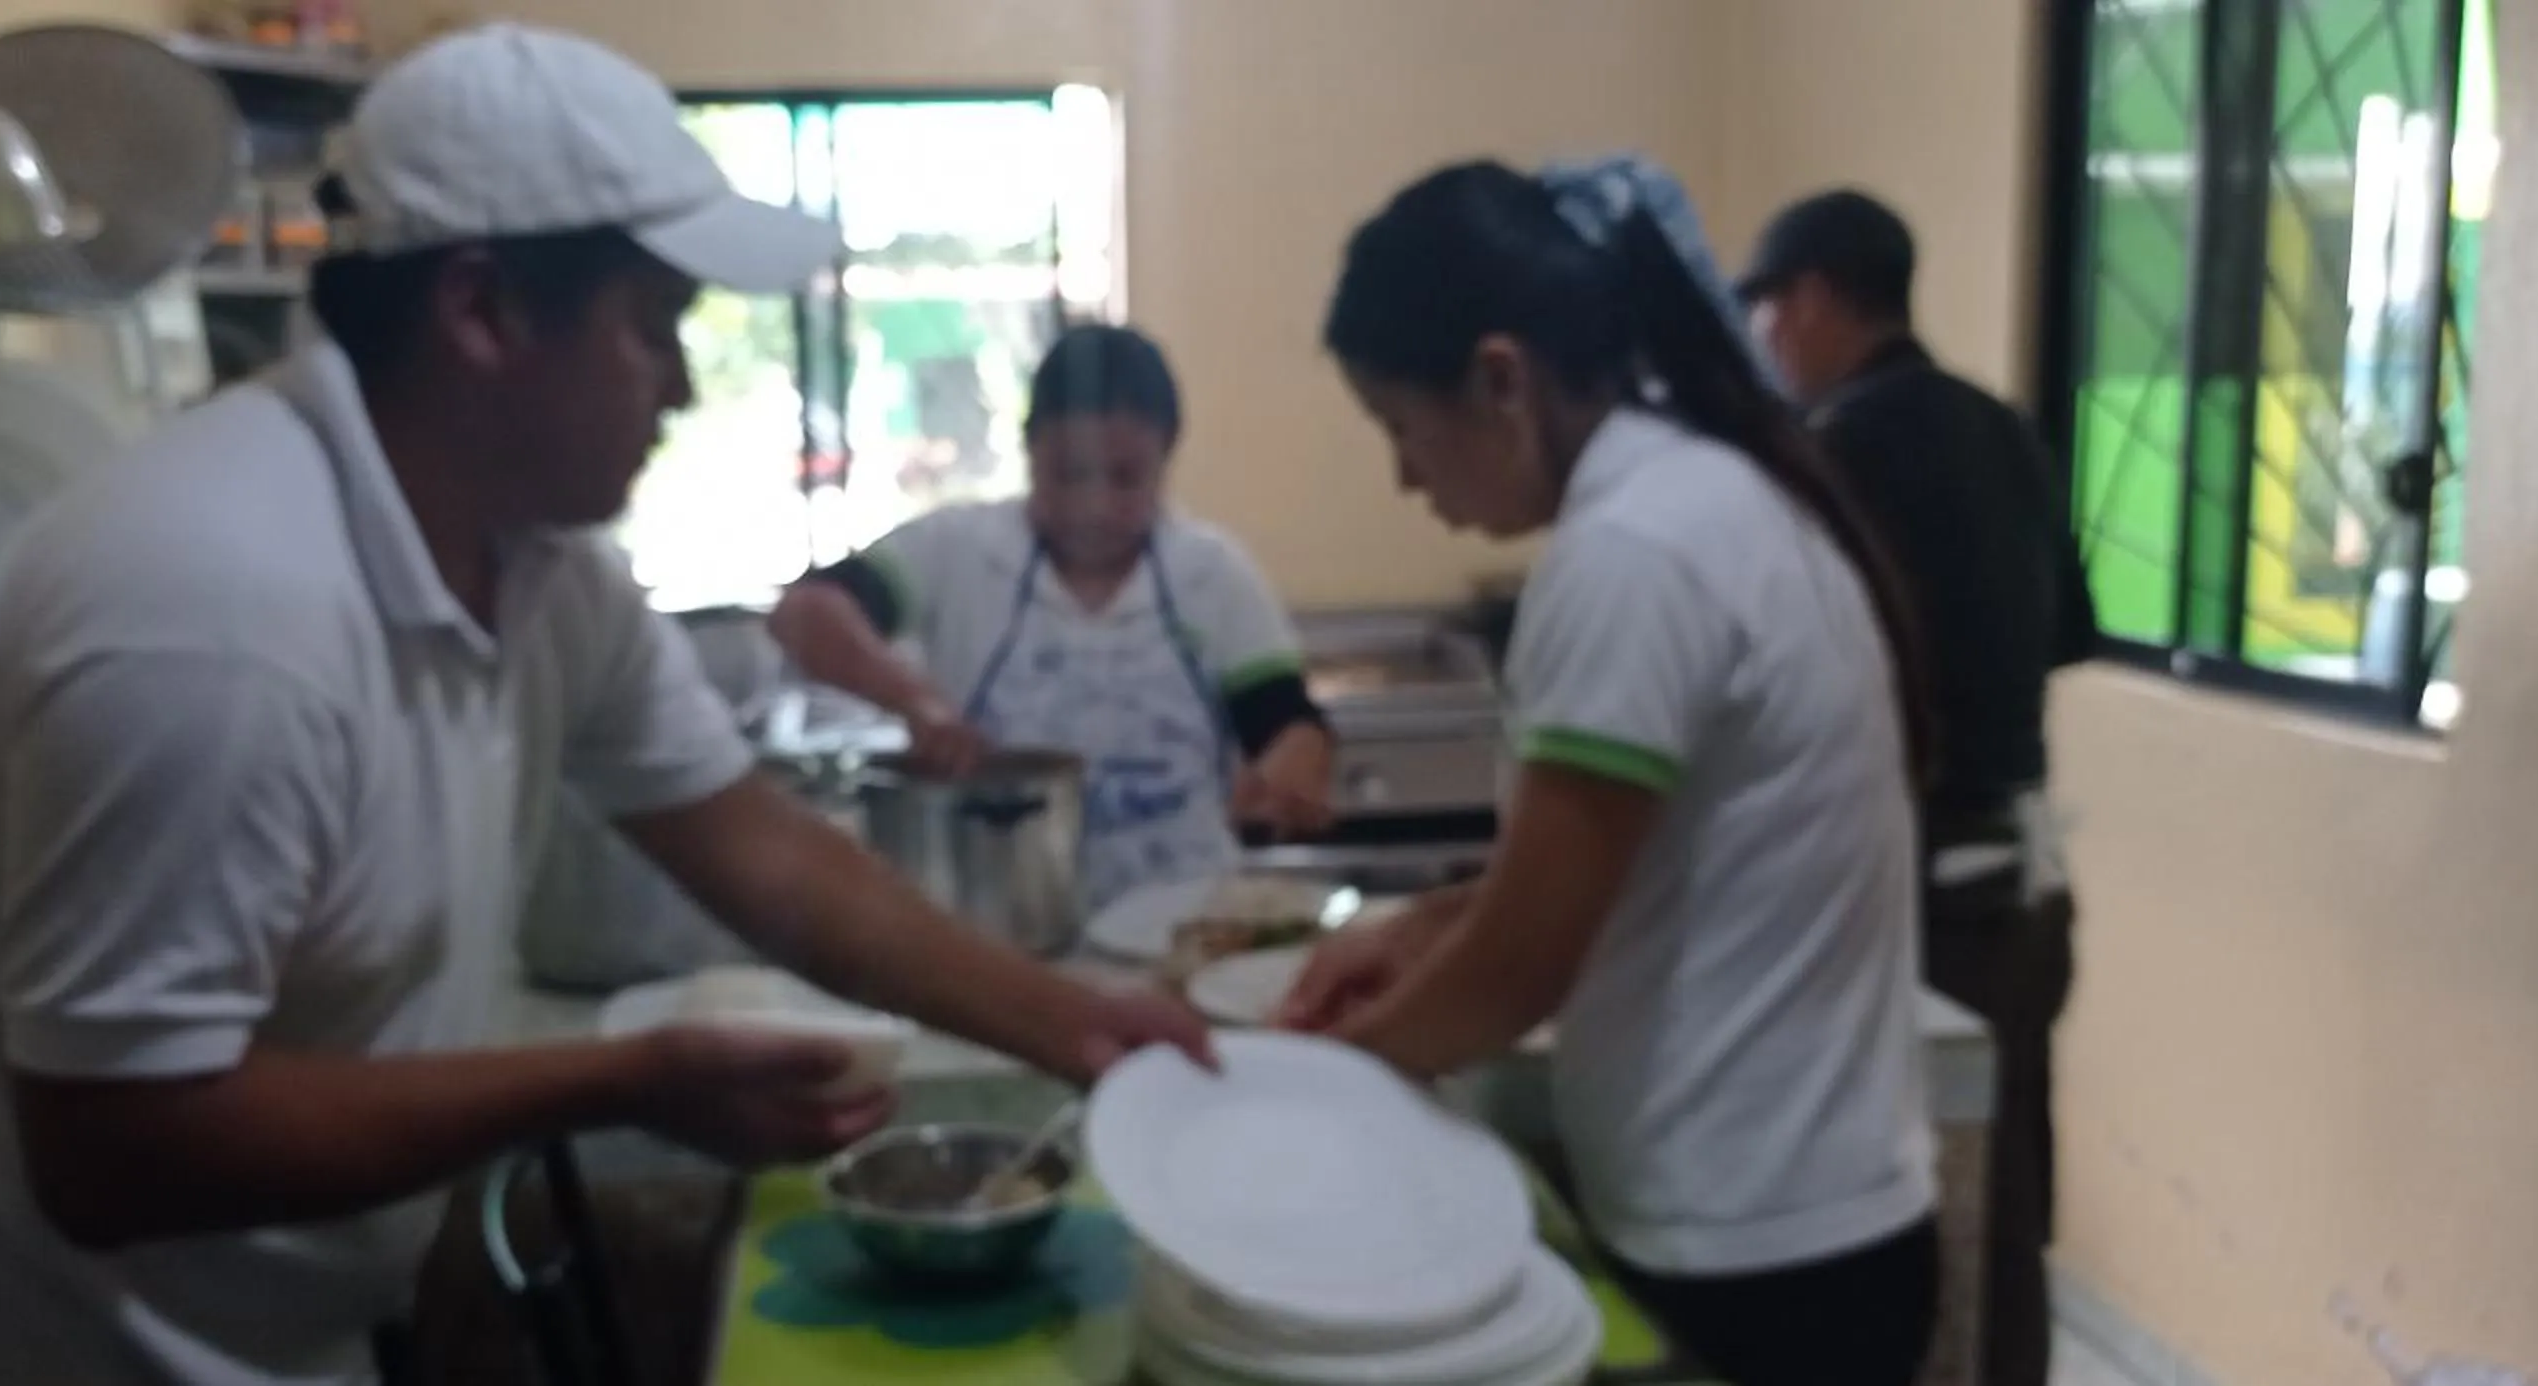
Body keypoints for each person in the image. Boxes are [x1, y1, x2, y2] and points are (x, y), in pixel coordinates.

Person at [0, 26, 1208, 1386]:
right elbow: (114, 1145)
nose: (679, 384)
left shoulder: (543, 567)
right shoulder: (210, 614)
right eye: (652, 326)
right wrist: (622, 1082)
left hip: (282, 1342)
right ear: (483, 311)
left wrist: (1072, 1025)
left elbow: (757, 846)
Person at [1277, 156, 1942, 1386]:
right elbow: (1646, 863)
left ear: (1500, 381)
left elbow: (1525, 967)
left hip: (1753, 1259)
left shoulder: (1634, 552)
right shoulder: (1719, 494)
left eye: (1402, 430)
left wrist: (1304, 1084)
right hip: (1824, 1227)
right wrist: (1424, 924)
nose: (1407, 478)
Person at [1738, 188, 2098, 1386]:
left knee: (1905, 1229)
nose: (1769, 344)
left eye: (1772, 313)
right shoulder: (2004, 430)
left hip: (1918, 907)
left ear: (1819, 299)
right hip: (2029, 885)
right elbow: (2059, 638)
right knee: (2008, 1217)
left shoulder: (1833, 451)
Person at [769, 323, 1336, 911]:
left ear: (1167, 457)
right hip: (999, 919)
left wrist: (1289, 771)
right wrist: (918, 704)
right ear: (1029, 449)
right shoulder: (958, 550)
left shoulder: (1211, 573)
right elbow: (805, 612)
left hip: (1187, 918)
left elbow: (1286, 720)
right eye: (1070, 475)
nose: (1095, 506)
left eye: (1125, 478)